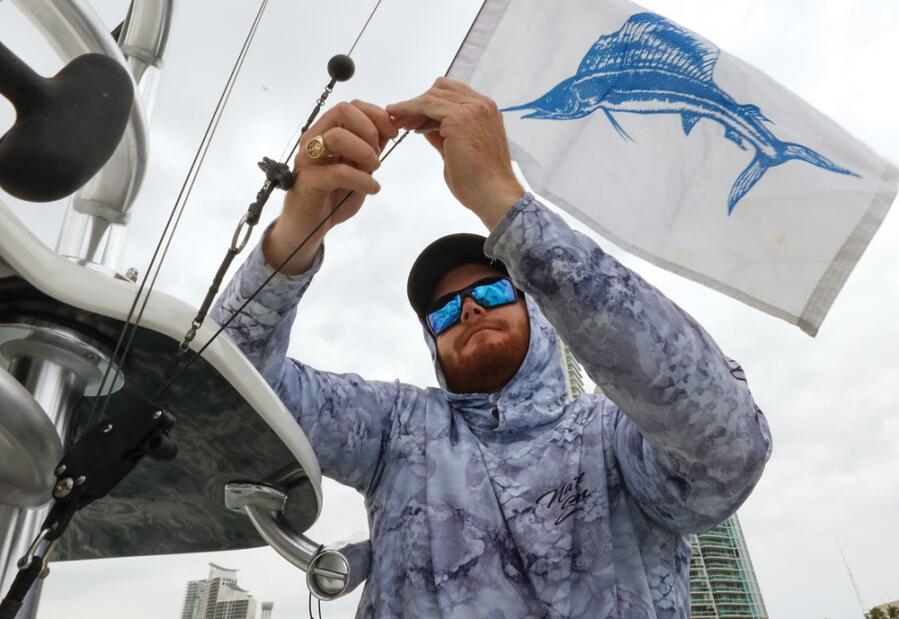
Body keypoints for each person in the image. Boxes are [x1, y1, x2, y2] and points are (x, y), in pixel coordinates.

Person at [212, 78, 771, 619]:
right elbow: (226, 389)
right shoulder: (397, 431)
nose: (471, 310)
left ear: (538, 306)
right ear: (432, 342)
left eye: (492, 290)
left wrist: (504, 201)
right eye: (446, 310)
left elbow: (727, 445)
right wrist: (296, 231)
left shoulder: (616, 436)